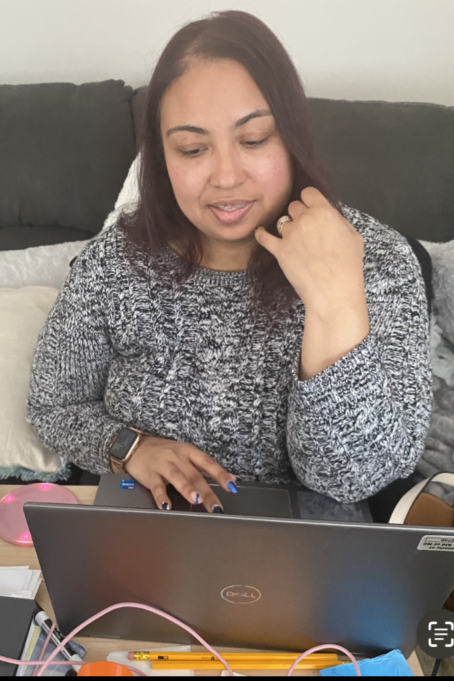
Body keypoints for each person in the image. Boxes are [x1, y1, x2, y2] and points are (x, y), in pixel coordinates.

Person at [27, 10, 432, 517]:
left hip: (313, 553)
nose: (225, 176)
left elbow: (351, 478)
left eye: (254, 140)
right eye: (193, 148)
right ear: (162, 157)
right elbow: (53, 406)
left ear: (293, 137)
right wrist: (128, 448)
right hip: (144, 540)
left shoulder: (378, 260)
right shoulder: (114, 264)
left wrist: (334, 298)